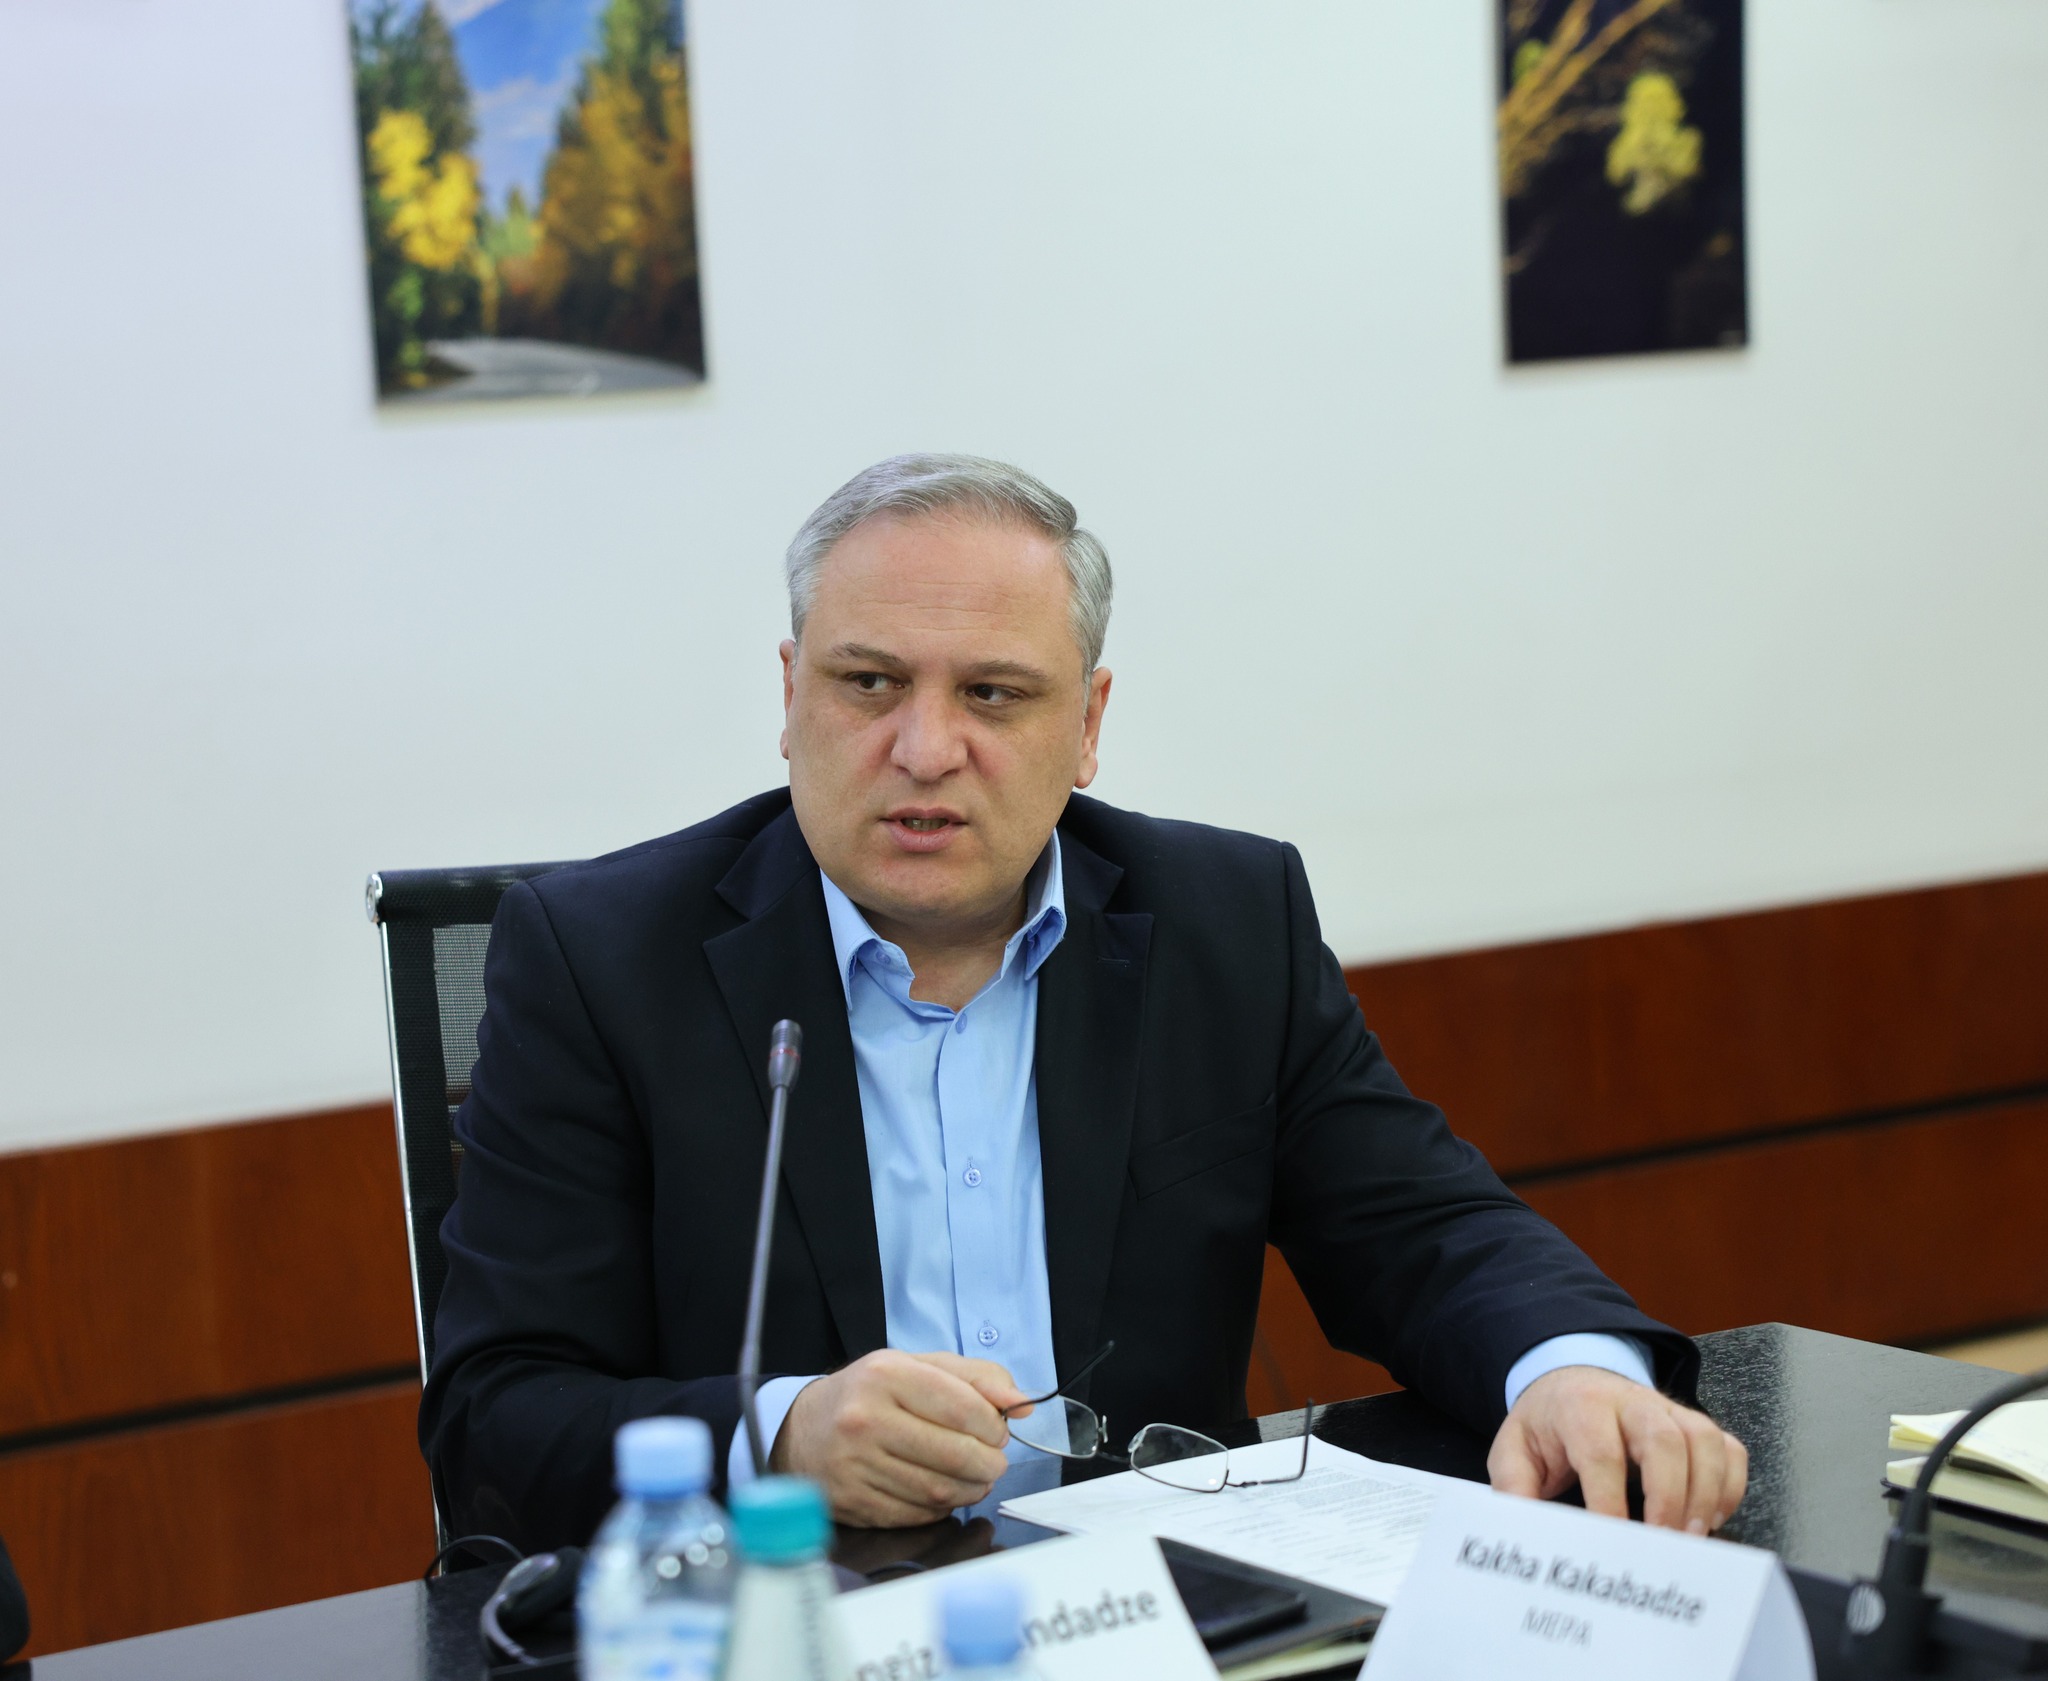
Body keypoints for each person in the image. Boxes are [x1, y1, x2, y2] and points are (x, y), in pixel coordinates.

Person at [421, 455, 1747, 1549]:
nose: (924, 749)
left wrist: (1571, 1371)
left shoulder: (1225, 921)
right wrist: (777, 1433)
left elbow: (1423, 1224)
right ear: (789, 694)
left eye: (993, 694)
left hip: (1153, 1616)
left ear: (1089, 725)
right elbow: (494, 1414)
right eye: (868, 683)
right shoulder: (600, 959)